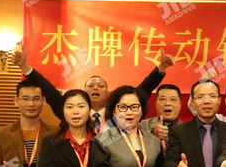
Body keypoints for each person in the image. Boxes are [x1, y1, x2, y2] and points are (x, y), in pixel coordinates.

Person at [11, 45, 174, 130]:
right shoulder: (71, 112)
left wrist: (161, 67)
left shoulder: (117, 113)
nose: (95, 88)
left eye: (100, 86)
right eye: (90, 86)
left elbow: (143, 90)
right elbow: (49, 91)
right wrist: (25, 66)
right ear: (84, 92)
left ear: (108, 93)